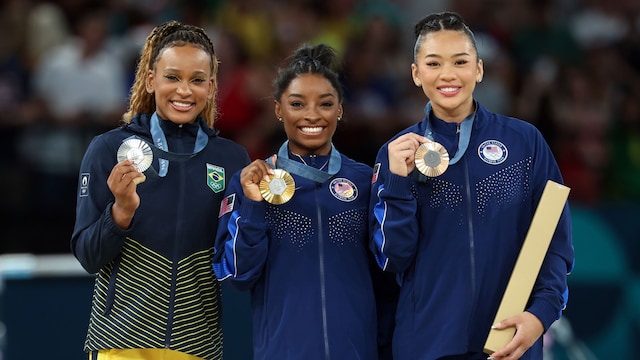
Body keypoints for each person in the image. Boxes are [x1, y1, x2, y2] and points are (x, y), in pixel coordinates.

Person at [369, 11, 574, 360]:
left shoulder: (525, 142)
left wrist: (540, 314)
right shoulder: (397, 154)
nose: (448, 74)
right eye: (433, 64)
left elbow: (553, 241)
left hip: (509, 341)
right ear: (416, 74)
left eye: (460, 61)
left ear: (478, 69)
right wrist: (398, 184)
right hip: (428, 345)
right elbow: (392, 258)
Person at [70, 20, 250, 360]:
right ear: (151, 80)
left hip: (196, 345)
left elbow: (237, 263)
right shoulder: (109, 149)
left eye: (197, 80)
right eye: (172, 77)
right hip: (120, 344)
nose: (184, 90)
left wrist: (257, 213)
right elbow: (88, 256)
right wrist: (120, 212)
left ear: (211, 87)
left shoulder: (230, 159)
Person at [213, 43, 397, 359]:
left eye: (325, 104)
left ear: (340, 108)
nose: (312, 115)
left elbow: (388, 276)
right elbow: (237, 275)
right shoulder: (252, 181)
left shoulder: (365, 182)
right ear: (278, 109)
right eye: (297, 104)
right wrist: (254, 204)